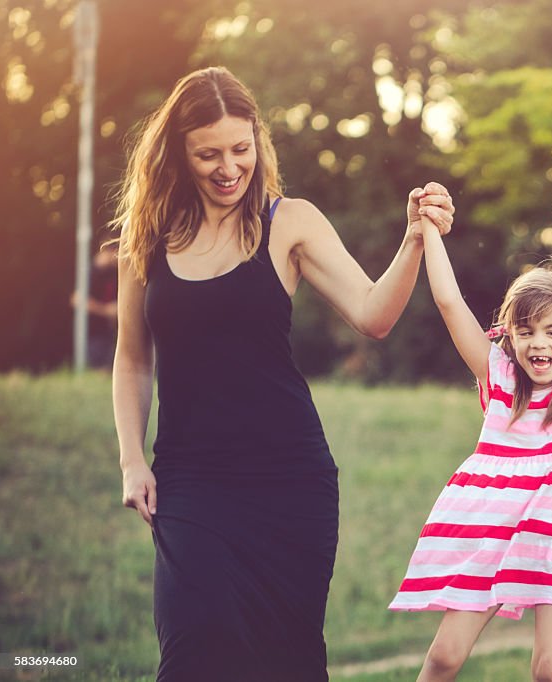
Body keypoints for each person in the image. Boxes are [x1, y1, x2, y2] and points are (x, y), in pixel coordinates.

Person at [111, 66, 454, 682]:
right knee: (194, 647)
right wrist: (132, 459)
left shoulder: (288, 222)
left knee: (287, 661)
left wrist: (411, 241)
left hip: (289, 480)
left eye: (240, 150)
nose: (228, 168)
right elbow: (132, 356)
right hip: (191, 479)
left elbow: (373, 316)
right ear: (177, 153)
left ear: (258, 143)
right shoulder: (150, 236)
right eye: (207, 154)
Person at [388, 208, 552, 681]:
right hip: (491, 517)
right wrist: (428, 226)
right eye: (526, 331)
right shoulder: (499, 374)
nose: (539, 344)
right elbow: (450, 302)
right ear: (509, 334)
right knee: (445, 655)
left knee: (550, 668)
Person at [70, 242, 118, 369]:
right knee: (96, 369)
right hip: (92, 333)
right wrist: (105, 310)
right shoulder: (90, 272)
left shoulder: (112, 273)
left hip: (107, 332)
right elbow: (77, 299)